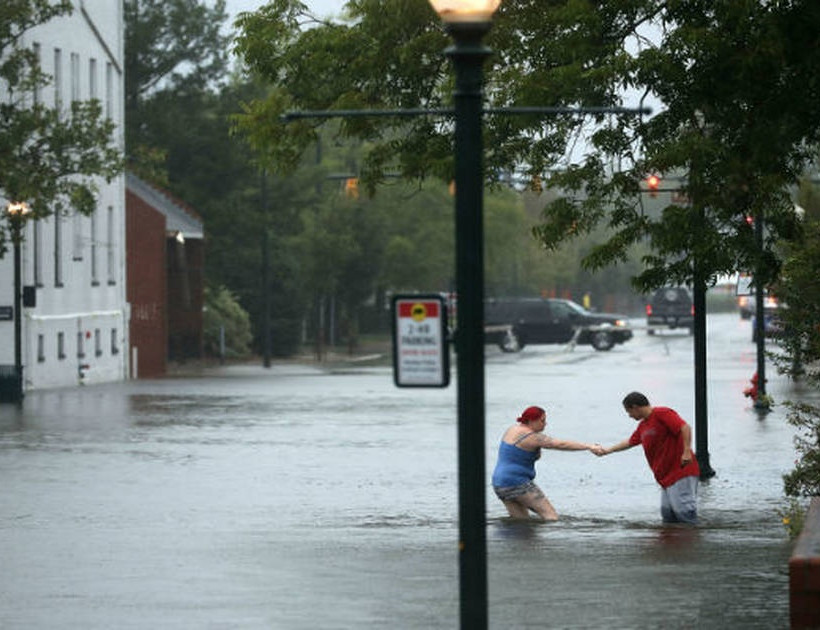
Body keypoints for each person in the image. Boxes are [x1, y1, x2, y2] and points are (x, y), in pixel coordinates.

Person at [595, 392, 700, 524]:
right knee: (668, 515)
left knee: (684, 513)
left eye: (629, 412)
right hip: (665, 477)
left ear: (635, 407)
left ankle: (692, 541)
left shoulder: (662, 413)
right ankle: (672, 543)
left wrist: (686, 451)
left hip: (681, 471)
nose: (630, 416)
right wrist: (607, 450)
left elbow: (684, 427)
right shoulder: (643, 425)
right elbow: (630, 442)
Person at [491, 405, 600, 521]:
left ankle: (515, 540)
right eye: (542, 420)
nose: (545, 424)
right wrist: (589, 446)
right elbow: (560, 444)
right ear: (532, 420)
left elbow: (522, 453)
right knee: (551, 516)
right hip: (517, 482)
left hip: (500, 483)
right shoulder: (532, 437)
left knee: (521, 521)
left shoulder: (512, 430)